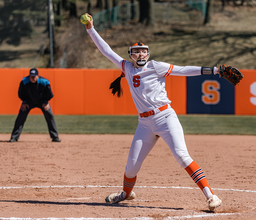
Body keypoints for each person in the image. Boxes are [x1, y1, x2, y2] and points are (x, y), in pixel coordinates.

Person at [83, 13, 222, 211]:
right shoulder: (127, 67)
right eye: (136, 52)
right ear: (131, 55)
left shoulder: (156, 66)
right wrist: (90, 28)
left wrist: (214, 71)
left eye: (143, 52)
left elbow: (183, 70)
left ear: (147, 54)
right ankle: (126, 194)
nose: (140, 55)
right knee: (131, 166)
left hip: (165, 117)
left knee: (182, 156)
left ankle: (211, 196)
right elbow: (106, 50)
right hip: (144, 123)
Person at [9, 68, 61, 142]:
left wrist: (46, 102)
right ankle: (14, 137)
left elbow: (49, 94)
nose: (32, 78)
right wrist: (24, 102)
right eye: (31, 76)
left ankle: (55, 137)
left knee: (49, 116)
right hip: (28, 101)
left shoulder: (44, 82)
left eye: (34, 76)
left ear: (37, 76)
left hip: (42, 101)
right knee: (21, 117)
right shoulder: (24, 82)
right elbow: (21, 93)